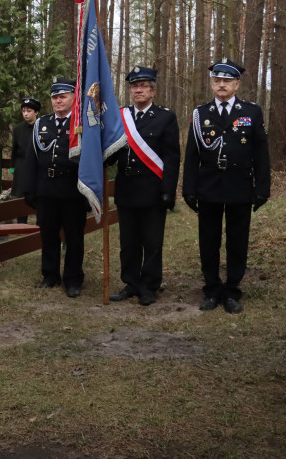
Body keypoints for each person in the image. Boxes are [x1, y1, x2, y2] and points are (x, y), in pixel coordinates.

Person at [182, 58, 270, 314]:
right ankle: (211, 289)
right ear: (212, 84)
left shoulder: (251, 112)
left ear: (237, 84)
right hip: (208, 186)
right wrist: (189, 189)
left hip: (239, 186)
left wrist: (262, 188)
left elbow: (261, 153)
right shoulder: (201, 114)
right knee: (208, 240)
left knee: (237, 241)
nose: (221, 85)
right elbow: (192, 155)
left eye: (227, 81)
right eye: (217, 80)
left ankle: (232, 291)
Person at [108, 67, 180, 306]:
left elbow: (171, 157)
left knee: (152, 241)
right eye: (134, 86)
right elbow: (111, 152)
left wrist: (168, 191)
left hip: (152, 189)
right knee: (128, 242)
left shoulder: (165, 117)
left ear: (153, 90)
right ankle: (130, 282)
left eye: (143, 86)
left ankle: (149, 285)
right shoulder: (120, 116)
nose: (138, 90)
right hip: (127, 188)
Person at [23, 78, 88, 298]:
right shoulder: (42, 123)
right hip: (46, 190)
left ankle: (73, 279)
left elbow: (91, 160)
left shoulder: (83, 123)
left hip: (73, 190)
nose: (58, 101)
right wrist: (30, 189)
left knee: (74, 237)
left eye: (63, 97)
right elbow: (32, 158)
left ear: (73, 98)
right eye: (54, 97)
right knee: (48, 234)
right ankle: (50, 275)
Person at [6, 96, 40, 234]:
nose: (26, 113)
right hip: (21, 166)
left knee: (38, 195)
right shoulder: (18, 129)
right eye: (24, 111)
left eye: (29, 111)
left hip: (38, 166)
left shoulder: (42, 127)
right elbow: (14, 150)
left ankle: (40, 223)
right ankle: (21, 224)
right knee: (21, 195)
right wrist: (13, 167)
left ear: (36, 112)